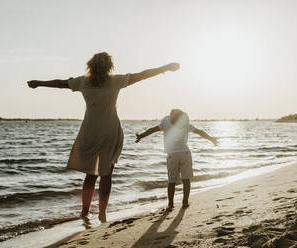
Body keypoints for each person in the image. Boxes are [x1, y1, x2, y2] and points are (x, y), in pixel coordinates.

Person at [27, 52, 180, 222]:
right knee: (107, 174)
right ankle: (102, 212)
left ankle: (85, 211)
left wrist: (38, 83)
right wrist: (165, 68)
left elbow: (60, 83)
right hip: (110, 131)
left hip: (90, 131)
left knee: (90, 175)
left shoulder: (82, 82)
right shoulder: (116, 81)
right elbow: (143, 75)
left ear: (90, 66)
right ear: (109, 66)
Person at [135, 109, 217, 210]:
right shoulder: (185, 123)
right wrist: (211, 139)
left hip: (172, 155)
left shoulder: (166, 122)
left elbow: (152, 130)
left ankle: (170, 205)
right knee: (186, 180)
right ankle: (185, 202)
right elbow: (199, 132)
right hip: (185, 153)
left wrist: (141, 136)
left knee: (171, 181)